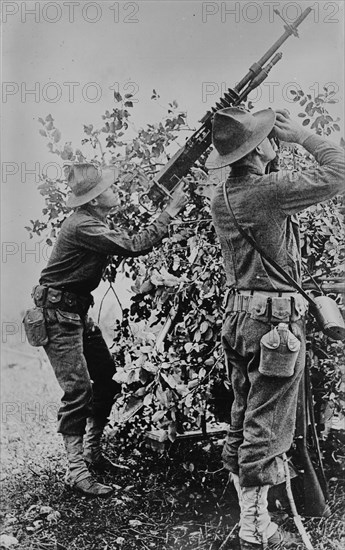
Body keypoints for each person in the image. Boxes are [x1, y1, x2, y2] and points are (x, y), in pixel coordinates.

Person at [206, 107, 344, 549]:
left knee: (243, 419)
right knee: (265, 429)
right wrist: (303, 134)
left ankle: (252, 518)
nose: (276, 141)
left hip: (240, 320)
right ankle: (255, 529)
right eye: (269, 137)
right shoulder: (268, 191)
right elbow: (339, 171)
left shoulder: (224, 195)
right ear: (256, 150)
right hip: (275, 328)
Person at [31, 163, 188, 497]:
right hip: (58, 315)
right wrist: (170, 211)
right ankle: (76, 471)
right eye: (108, 187)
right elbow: (133, 245)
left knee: (106, 376)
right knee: (78, 391)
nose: (114, 189)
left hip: (74, 311)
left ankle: (92, 452)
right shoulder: (84, 225)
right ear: (93, 199)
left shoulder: (93, 221)